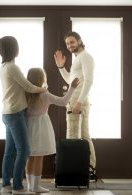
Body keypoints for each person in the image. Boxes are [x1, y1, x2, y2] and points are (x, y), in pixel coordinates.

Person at [0, 36, 46, 195]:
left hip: (7, 113)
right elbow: (28, 86)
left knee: (10, 152)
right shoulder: (13, 67)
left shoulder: (4, 66)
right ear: (14, 49)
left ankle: (6, 185)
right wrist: (42, 89)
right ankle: (17, 187)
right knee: (24, 150)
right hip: (15, 114)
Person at [25, 68, 79, 193]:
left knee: (29, 158)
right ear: (41, 80)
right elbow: (63, 101)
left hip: (28, 127)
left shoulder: (25, 94)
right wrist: (72, 88)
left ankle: (29, 186)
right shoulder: (45, 94)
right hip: (42, 127)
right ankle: (36, 186)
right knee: (39, 157)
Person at [53, 31, 97, 179]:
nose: (69, 45)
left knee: (73, 136)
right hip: (77, 100)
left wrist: (78, 102)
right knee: (84, 136)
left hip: (78, 101)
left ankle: (71, 173)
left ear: (79, 41)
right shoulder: (78, 58)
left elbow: (89, 81)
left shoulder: (85, 57)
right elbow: (71, 81)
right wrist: (61, 67)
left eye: (72, 42)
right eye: (67, 43)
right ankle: (89, 170)